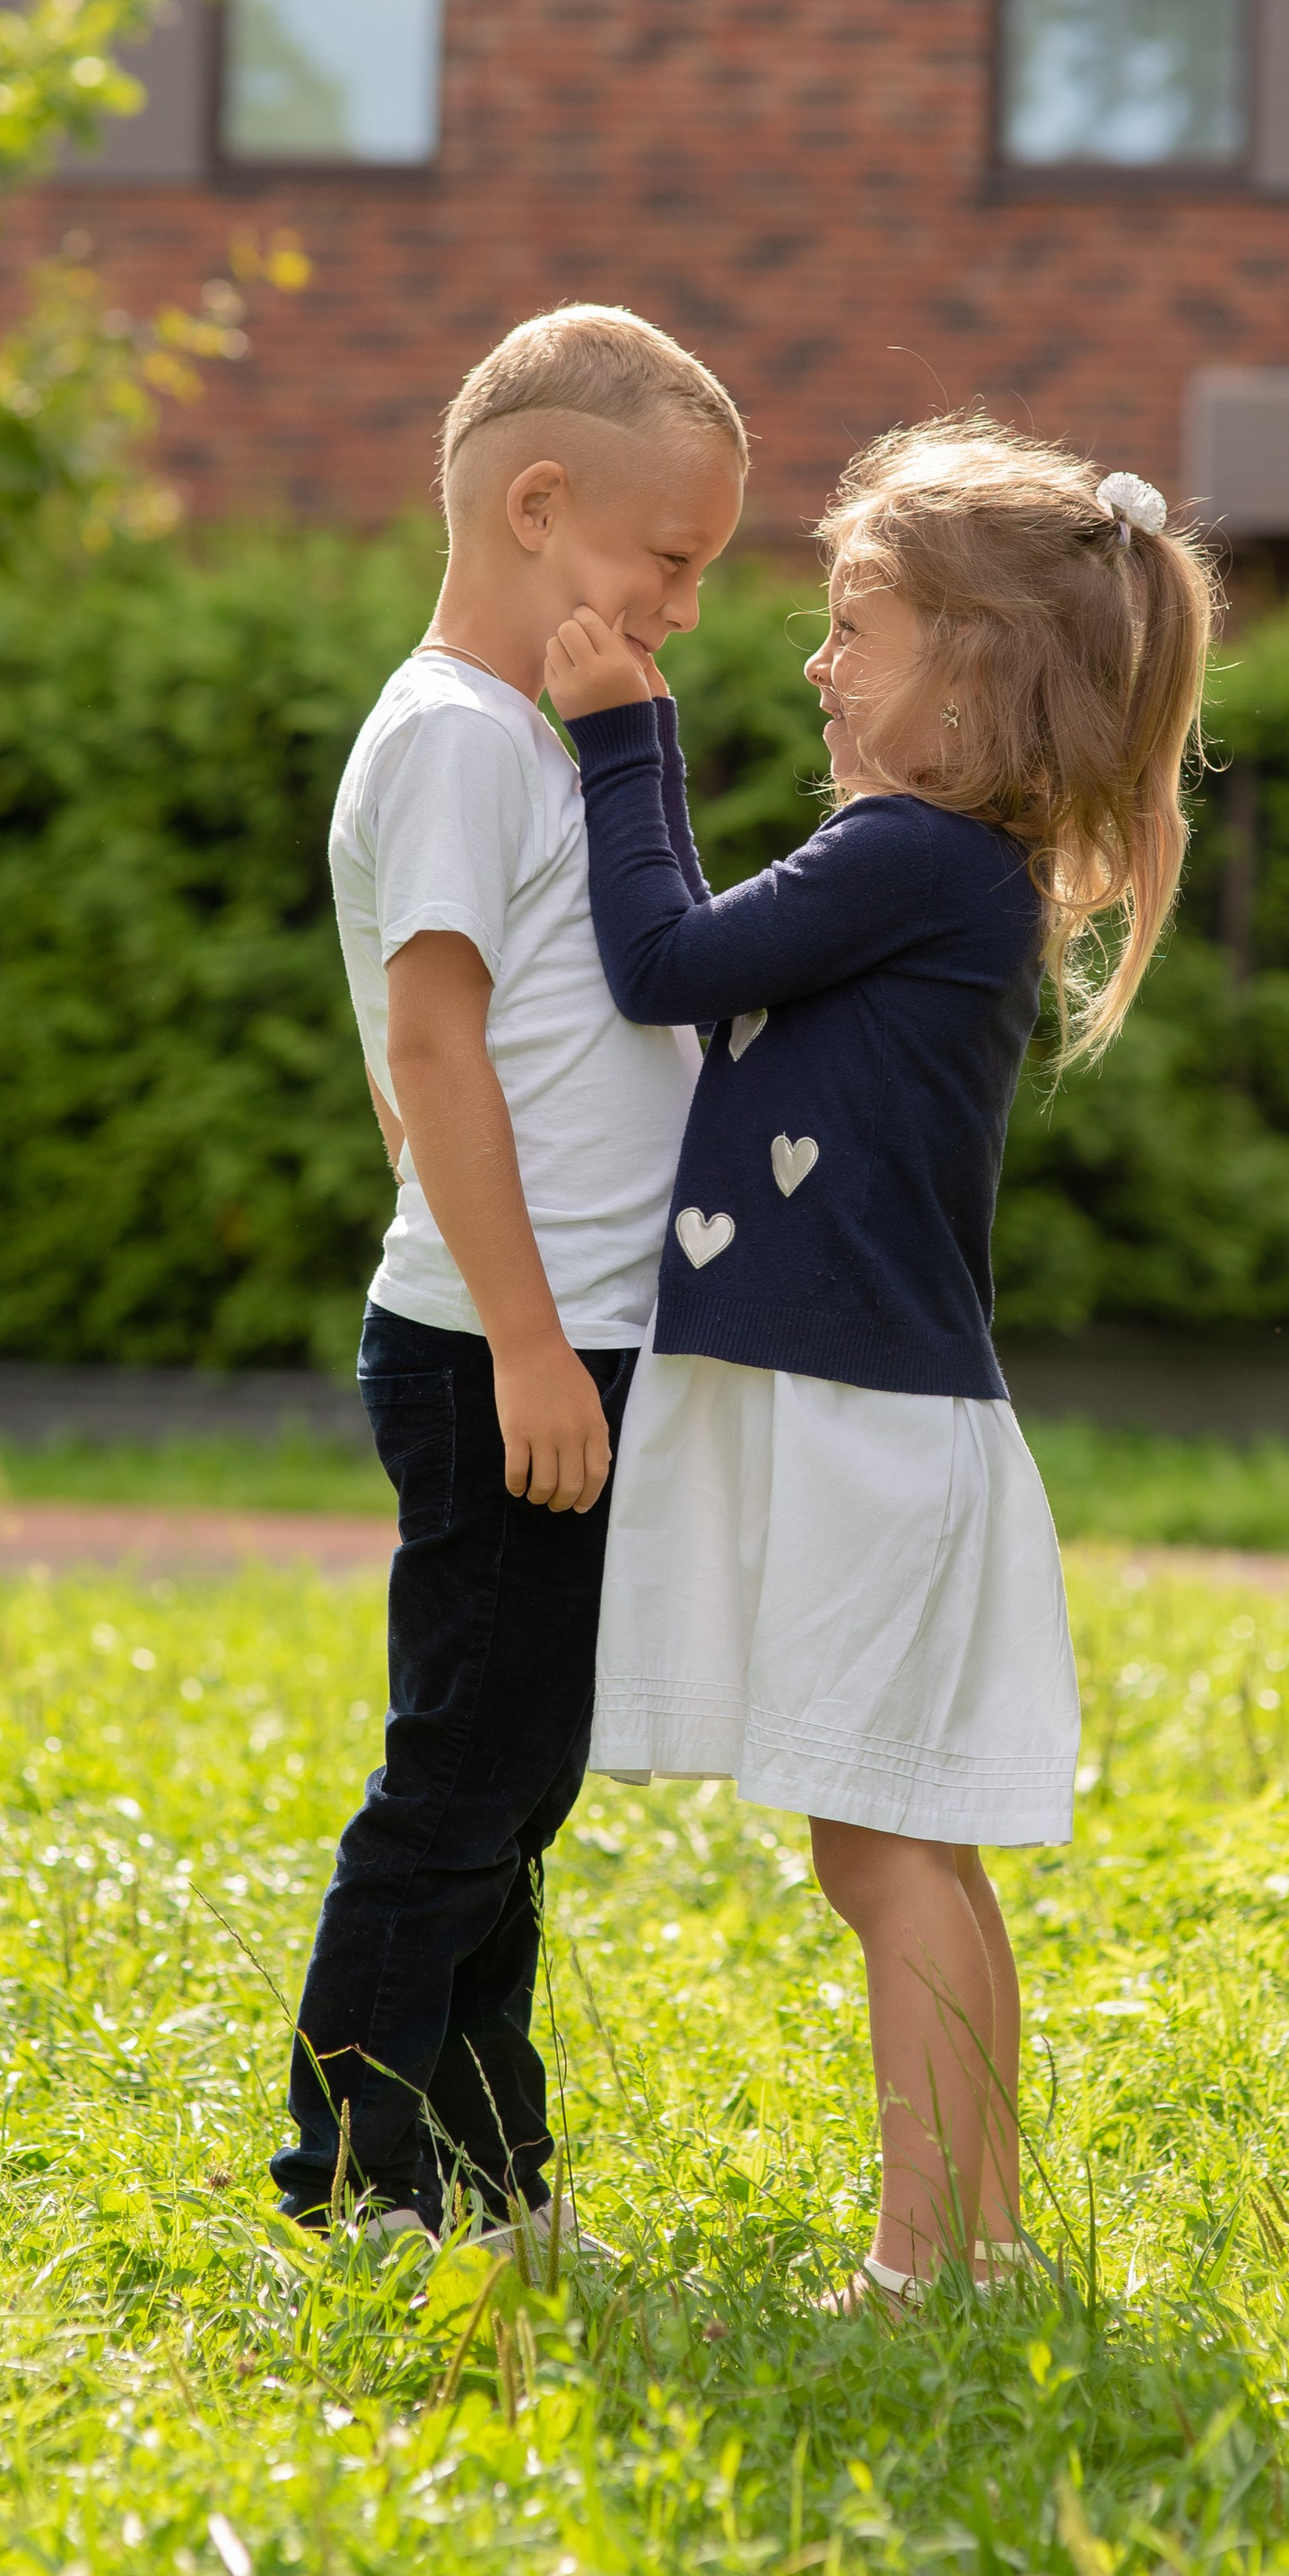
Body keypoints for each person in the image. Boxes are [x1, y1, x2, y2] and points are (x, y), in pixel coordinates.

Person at [542, 417, 1215, 2305]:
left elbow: (660, 961)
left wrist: (621, 738)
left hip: (858, 1419)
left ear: (977, 669)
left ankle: (924, 2262)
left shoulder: (915, 851)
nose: (818, 665)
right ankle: (981, 2244)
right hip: (871, 1410)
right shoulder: (940, 863)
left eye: (854, 626)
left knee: (882, 1854)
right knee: (906, 1845)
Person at [274, 303, 747, 2252]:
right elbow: (437, 1053)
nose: (687, 607)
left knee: (509, 1782)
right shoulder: (460, 737)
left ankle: (481, 2173)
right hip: (504, 1354)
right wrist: (539, 1349)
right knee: (460, 1784)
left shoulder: (511, 743)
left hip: (545, 1344)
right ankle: (354, 2180)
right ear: (540, 507)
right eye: (674, 560)